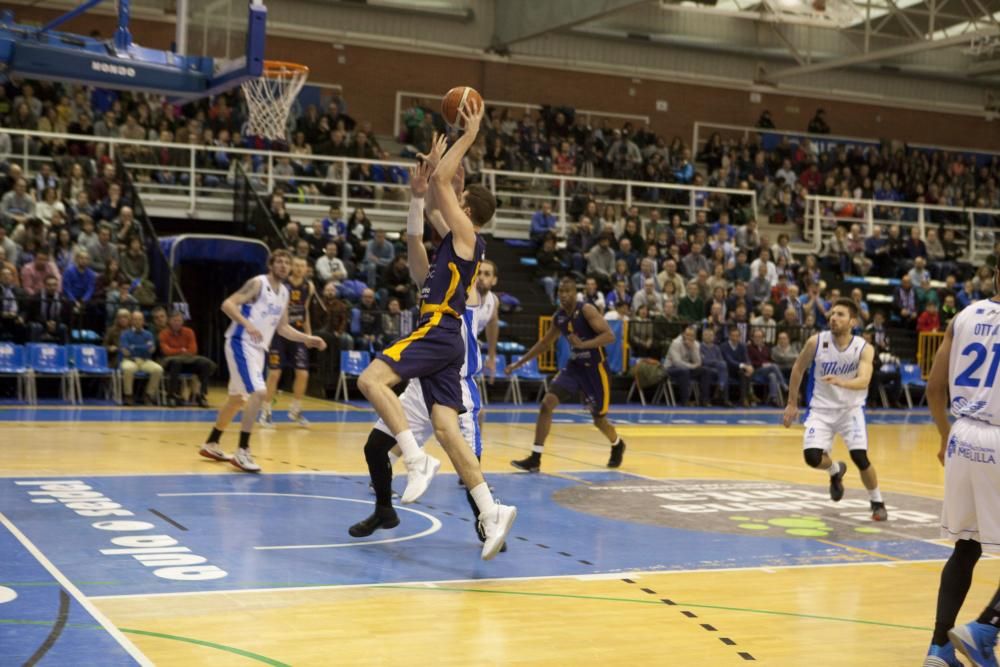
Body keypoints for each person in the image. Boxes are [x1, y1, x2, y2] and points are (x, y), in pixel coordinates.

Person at [354, 104, 515, 561]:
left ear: (467, 211)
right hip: (445, 345)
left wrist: (468, 134)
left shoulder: (469, 238)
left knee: (370, 381)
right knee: (445, 428)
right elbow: (425, 217)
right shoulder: (451, 247)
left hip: (440, 331)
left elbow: (443, 186)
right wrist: (420, 193)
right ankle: (491, 511)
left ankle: (415, 458)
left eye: (458, 205)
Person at [923, 254, 1000, 667]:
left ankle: (938, 648)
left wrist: (944, 435)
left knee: (966, 546)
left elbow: (934, 387)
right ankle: (986, 628)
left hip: (963, 436)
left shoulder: (965, 316)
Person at [200, 249, 326, 473]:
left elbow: (283, 328)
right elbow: (228, 304)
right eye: (279, 261)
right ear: (271, 265)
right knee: (259, 393)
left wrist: (307, 338)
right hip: (241, 341)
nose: (284, 265)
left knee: (237, 399)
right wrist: (246, 324)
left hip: (258, 349)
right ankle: (242, 451)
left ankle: (211, 443)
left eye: (287, 262)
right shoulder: (257, 283)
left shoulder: (285, 293)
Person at [783, 298, 887, 522]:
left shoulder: (864, 348)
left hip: (850, 410)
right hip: (821, 410)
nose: (833, 318)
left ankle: (877, 502)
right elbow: (798, 369)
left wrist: (842, 382)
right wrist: (792, 403)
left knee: (859, 456)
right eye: (832, 314)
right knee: (812, 457)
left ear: (853, 321)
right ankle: (835, 471)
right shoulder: (816, 342)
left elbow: (864, 380)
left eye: (840, 314)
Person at [508, 276, 626, 471]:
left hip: (595, 370)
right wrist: (519, 363)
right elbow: (544, 343)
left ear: (575, 293)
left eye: (567, 291)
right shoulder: (559, 317)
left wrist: (584, 345)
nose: (563, 295)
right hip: (574, 368)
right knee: (547, 404)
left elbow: (609, 336)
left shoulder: (586, 310)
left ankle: (617, 443)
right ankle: (535, 458)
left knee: (599, 420)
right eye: (560, 291)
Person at [260, 256, 316, 428]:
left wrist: (309, 335)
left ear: (306, 268)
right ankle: (266, 411)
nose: (299, 268)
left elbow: (305, 310)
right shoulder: (282, 285)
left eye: (302, 266)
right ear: (291, 267)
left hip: (297, 334)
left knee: (303, 373)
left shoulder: (309, 286)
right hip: (278, 334)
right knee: (275, 374)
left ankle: (295, 409)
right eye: (296, 265)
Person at [159, 310, 215, 408]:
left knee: (205, 363)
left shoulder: (189, 332)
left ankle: (201, 395)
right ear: (169, 321)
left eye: (179, 320)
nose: (177, 323)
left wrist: (176, 351)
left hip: (189, 361)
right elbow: (166, 351)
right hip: (172, 363)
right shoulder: (164, 333)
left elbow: (193, 350)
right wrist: (182, 350)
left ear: (182, 321)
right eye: (174, 320)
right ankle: (171, 396)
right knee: (176, 362)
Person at [119, 311, 163, 406]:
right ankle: (128, 396)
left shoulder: (149, 334)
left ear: (143, 321)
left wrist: (134, 347)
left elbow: (151, 350)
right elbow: (126, 351)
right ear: (131, 321)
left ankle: (148, 395)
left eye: (140, 319)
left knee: (158, 369)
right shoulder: (125, 334)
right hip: (130, 360)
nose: (137, 321)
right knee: (128, 369)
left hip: (145, 360)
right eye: (135, 319)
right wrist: (144, 347)